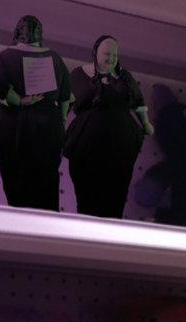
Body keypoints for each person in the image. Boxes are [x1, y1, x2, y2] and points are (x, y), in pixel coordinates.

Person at [0, 15, 70, 211]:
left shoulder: (5, 56)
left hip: (15, 131)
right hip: (44, 129)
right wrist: (62, 119)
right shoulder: (54, 58)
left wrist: (18, 100)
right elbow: (65, 95)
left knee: (18, 188)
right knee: (45, 189)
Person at [63, 34, 151, 219]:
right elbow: (66, 103)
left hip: (121, 141)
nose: (111, 59)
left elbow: (137, 101)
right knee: (88, 192)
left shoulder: (124, 77)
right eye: (106, 54)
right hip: (86, 140)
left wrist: (145, 123)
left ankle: (111, 224)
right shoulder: (79, 75)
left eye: (114, 55)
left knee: (116, 192)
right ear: (95, 52)